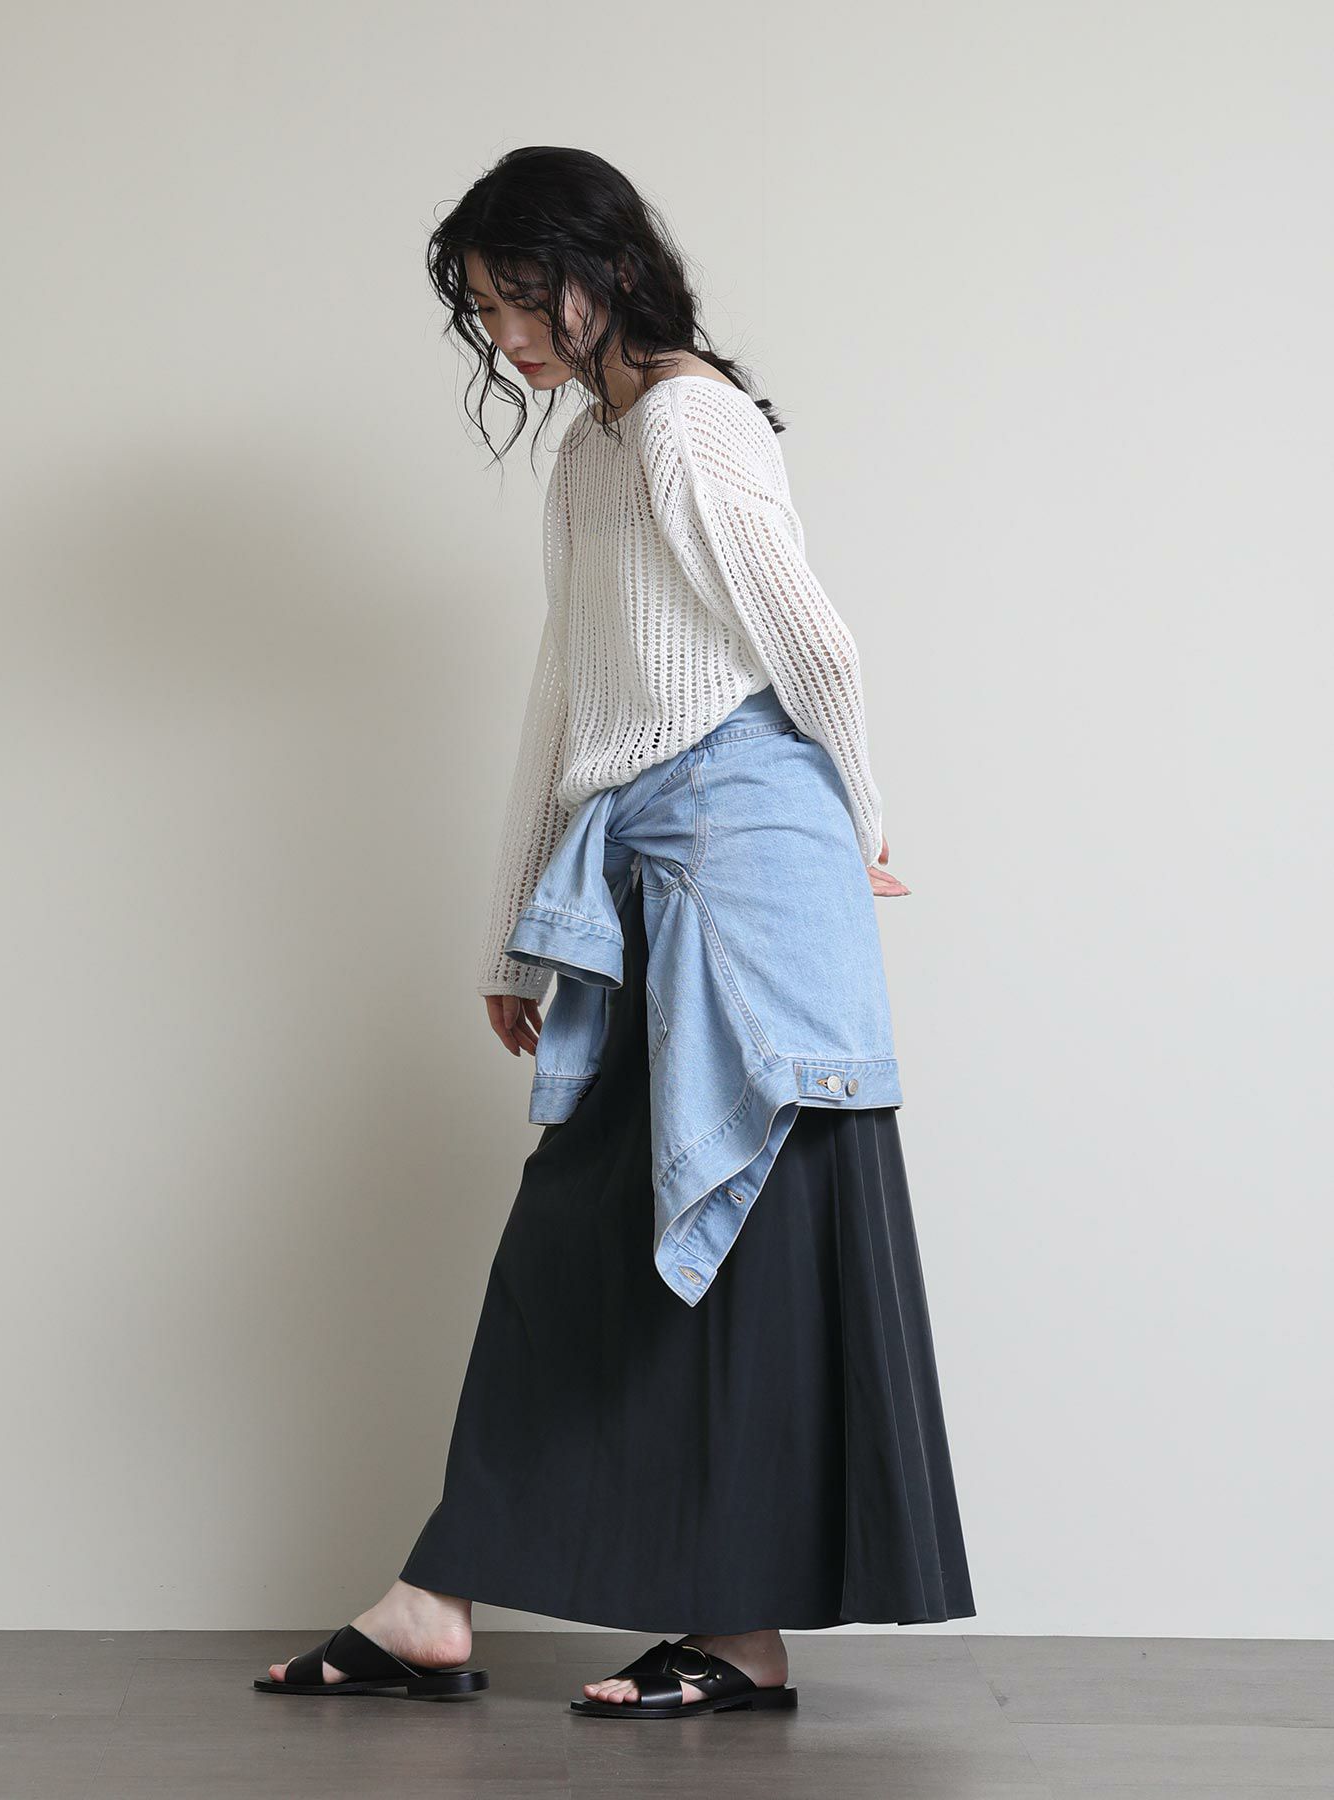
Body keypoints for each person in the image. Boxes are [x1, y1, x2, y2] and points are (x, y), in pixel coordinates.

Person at [255, 146, 974, 1719]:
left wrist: (860, 827)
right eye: (485, 309)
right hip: (647, 860)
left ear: (606, 275)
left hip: (746, 864)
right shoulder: (596, 452)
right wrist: (517, 934)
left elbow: (814, 644)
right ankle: (466, 1603)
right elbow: (566, 697)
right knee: (605, 1238)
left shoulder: (688, 427)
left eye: (524, 299)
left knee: (738, 1239)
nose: (507, 335)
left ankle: (695, 1630)